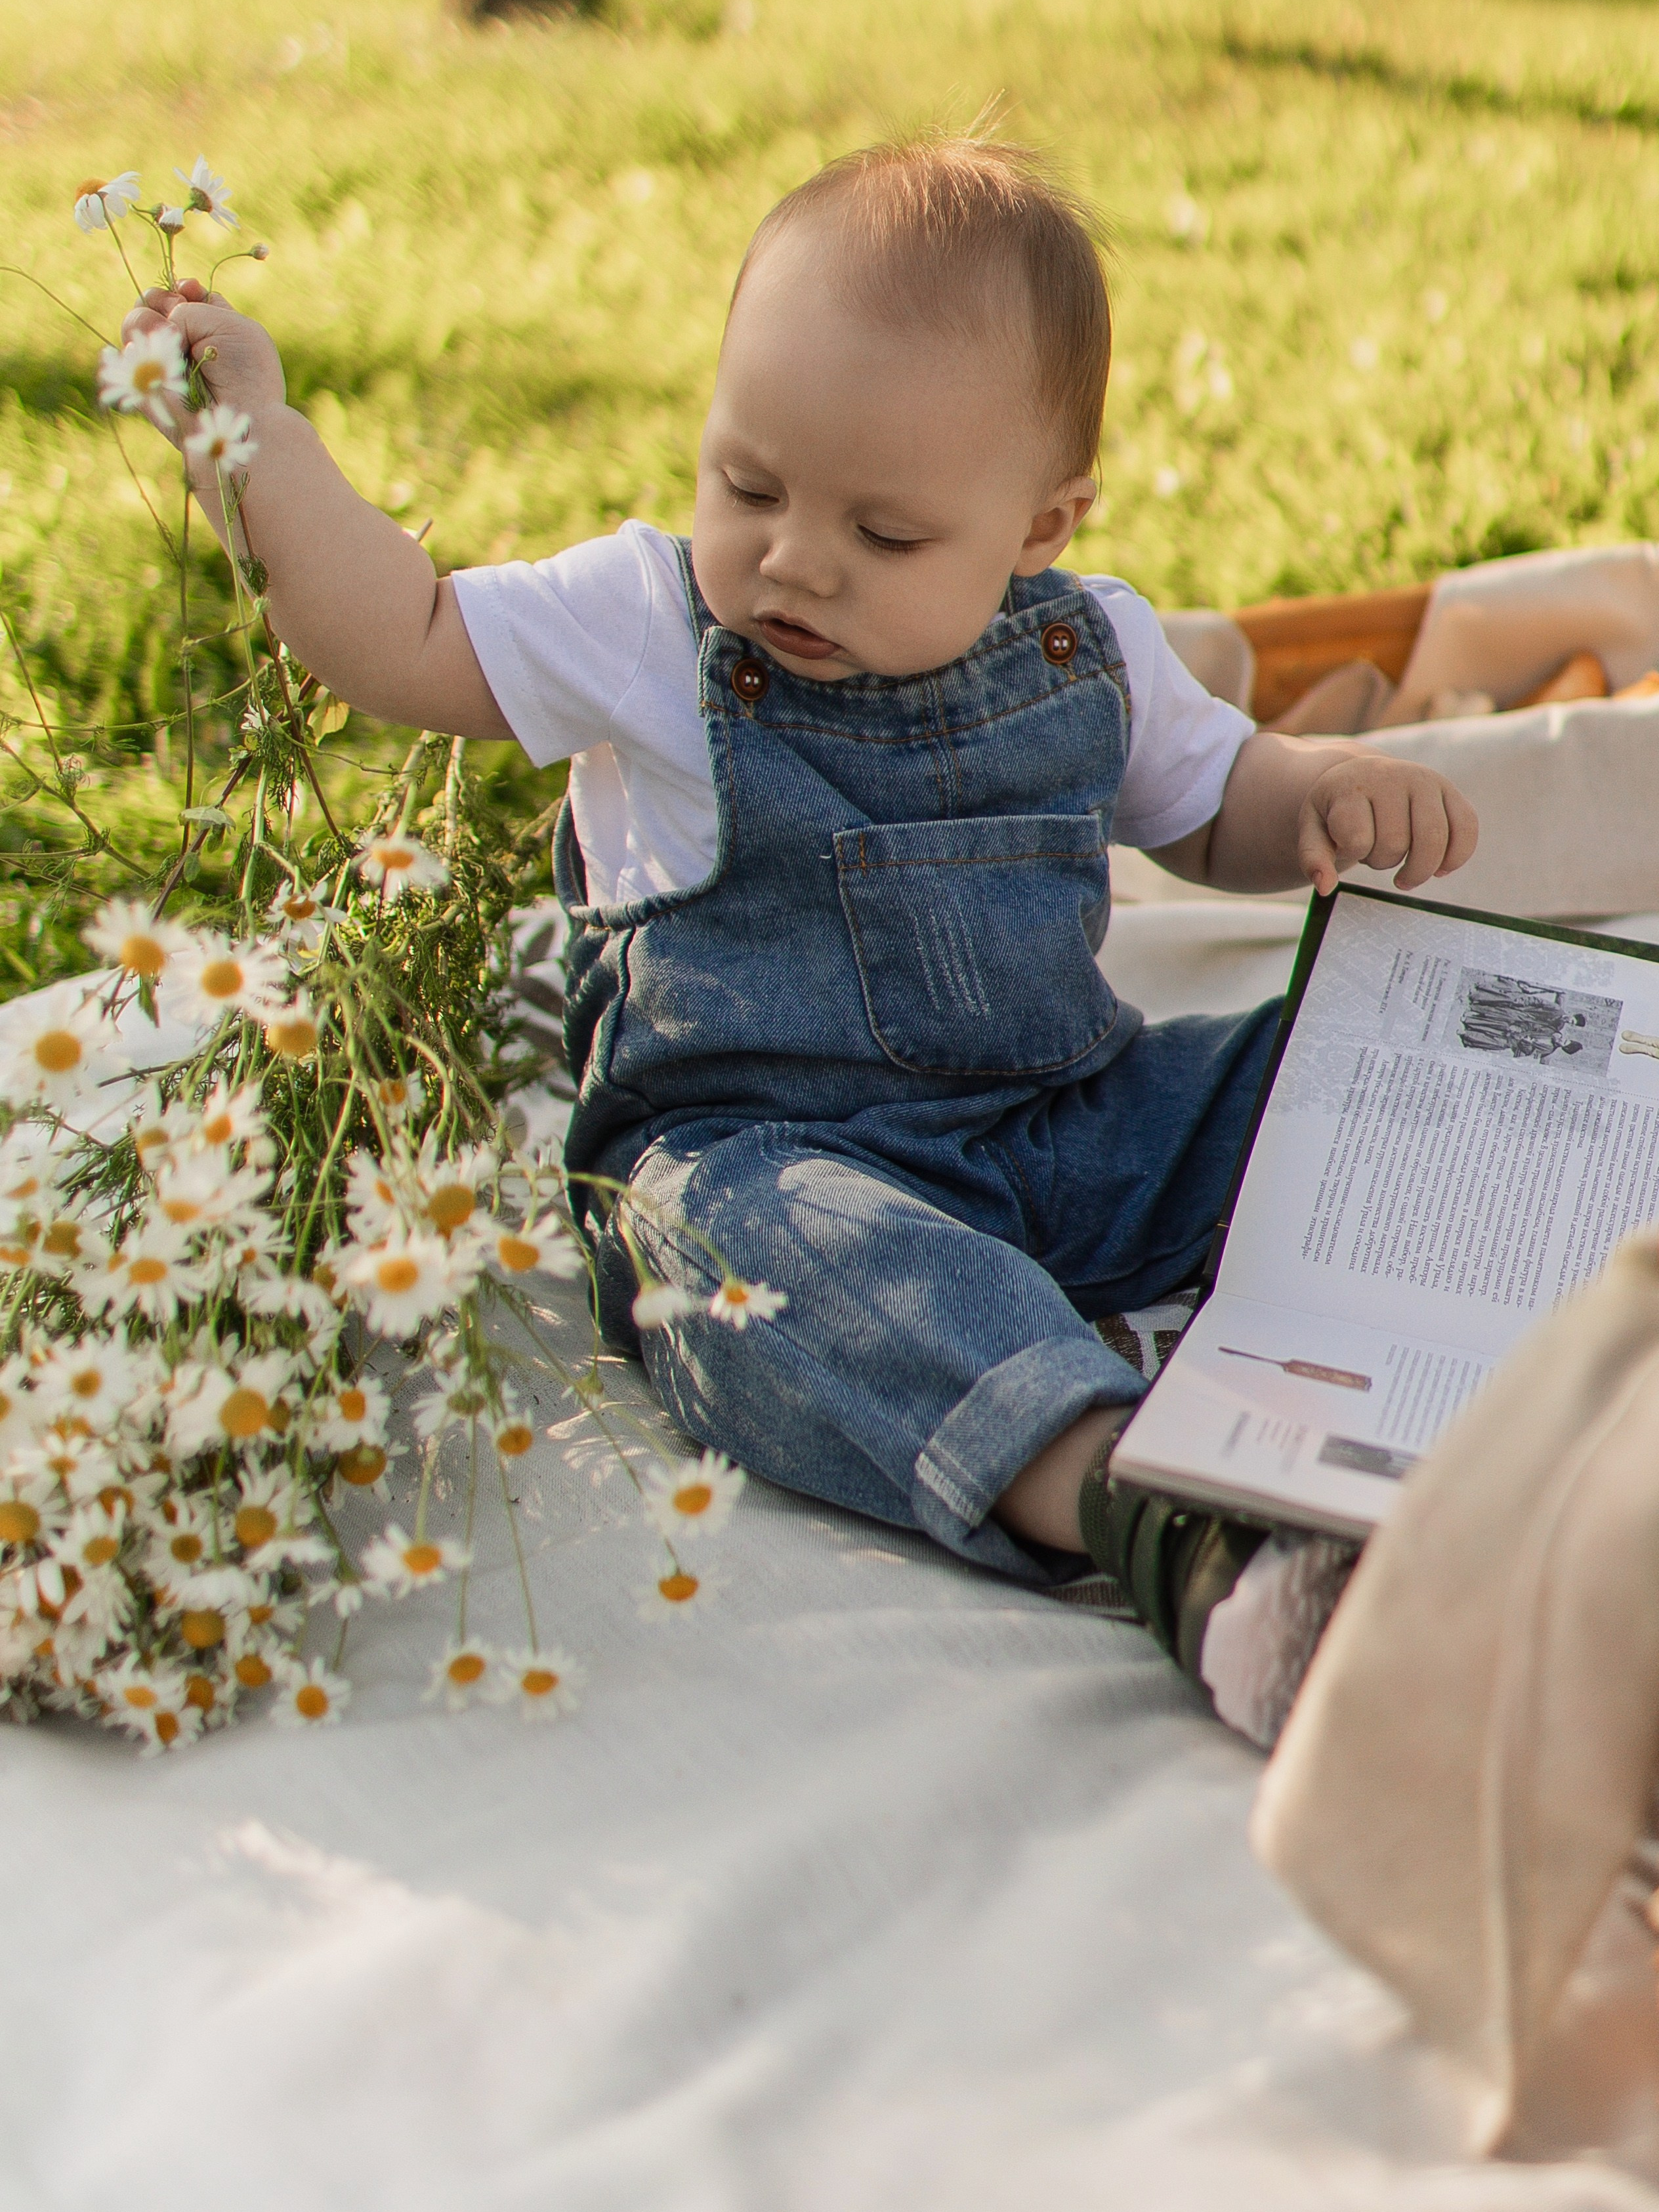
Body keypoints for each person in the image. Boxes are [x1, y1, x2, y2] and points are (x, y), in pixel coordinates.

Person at [120, 133, 1479, 1701]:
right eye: (746, 484)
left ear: (1040, 526)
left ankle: (1547, 1289)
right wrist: (257, 441)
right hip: (774, 1161)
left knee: (1359, 1065)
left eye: (884, 536)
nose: (791, 560)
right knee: (762, 1273)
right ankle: (1145, 1512)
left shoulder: (1086, 645)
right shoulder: (649, 626)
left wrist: (1313, 796)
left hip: (1066, 1131)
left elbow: (1209, 804)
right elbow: (408, 633)